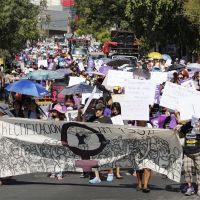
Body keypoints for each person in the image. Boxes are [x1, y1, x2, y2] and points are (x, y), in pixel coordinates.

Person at [176, 116, 200, 196]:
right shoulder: (187, 125)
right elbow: (181, 135)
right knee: (187, 170)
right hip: (187, 153)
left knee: (199, 171)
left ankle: (199, 188)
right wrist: (177, 129)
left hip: (198, 152)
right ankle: (190, 187)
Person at [49, 104, 66, 180]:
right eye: (52, 111)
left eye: (54, 111)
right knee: (52, 156)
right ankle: (53, 172)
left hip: (60, 140)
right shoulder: (50, 119)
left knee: (60, 157)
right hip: (52, 140)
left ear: (58, 112)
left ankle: (59, 173)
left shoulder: (63, 121)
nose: (53, 113)